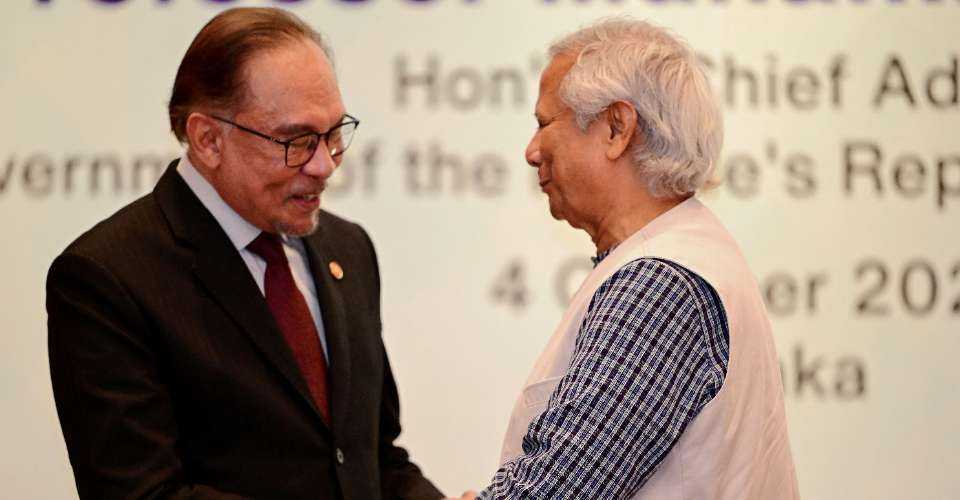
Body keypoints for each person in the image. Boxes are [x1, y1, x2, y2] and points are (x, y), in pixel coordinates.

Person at [46, 8, 443, 500]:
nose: (324, 165)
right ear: (208, 139)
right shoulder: (107, 277)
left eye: (335, 133)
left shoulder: (349, 249)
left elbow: (373, 460)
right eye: (297, 140)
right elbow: (141, 494)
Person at [473, 18, 800, 499]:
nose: (531, 150)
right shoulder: (683, 256)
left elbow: (559, 489)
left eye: (545, 124)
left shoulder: (658, 286)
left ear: (616, 128)